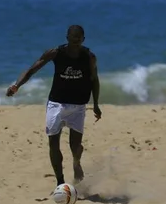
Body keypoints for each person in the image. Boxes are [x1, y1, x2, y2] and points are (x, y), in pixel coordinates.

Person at [6, 25, 101, 187]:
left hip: (78, 105)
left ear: (83, 40)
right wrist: (17, 85)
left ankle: (76, 163)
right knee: (53, 143)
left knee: (75, 146)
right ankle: (60, 181)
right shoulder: (56, 53)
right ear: (67, 38)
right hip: (56, 103)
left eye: (79, 40)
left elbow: (94, 80)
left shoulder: (89, 57)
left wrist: (96, 104)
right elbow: (31, 70)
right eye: (73, 40)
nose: (76, 43)